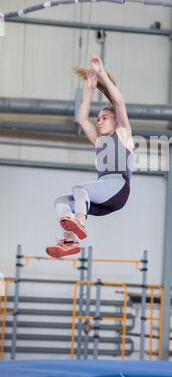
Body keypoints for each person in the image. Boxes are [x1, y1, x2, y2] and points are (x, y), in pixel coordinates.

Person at [46, 56, 135, 258]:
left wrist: (101, 71)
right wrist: (89, 88)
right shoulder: (99, 141)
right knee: (61, 201)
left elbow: (119, 102)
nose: (99, 122)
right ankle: (69, 240)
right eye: (98, 119)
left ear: (115, 121)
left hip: (118, 187)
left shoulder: (123, 134)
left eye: (104, 118)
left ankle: (80, 222)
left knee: (80, 189)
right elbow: (81, 119)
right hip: (104, 196)